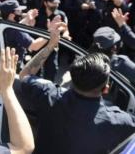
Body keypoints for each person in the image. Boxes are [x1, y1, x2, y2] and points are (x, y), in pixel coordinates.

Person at [18, 22, 135, 154]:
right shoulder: (117, 121)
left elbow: (24, 75)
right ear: (106, 88)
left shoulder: (49, 95)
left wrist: (51, 45)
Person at [35, 0, 71, 81]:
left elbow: (66, 29)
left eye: (57, 3)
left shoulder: (61, 15)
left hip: (52, 46)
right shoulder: (37, 14)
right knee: (35, 70)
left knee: (52, 70)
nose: (56, 5)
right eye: (53, 3)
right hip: (38, 46)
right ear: (45, 3)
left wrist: (66, 35)